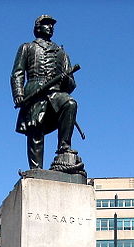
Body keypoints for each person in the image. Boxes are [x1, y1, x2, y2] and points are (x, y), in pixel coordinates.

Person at [11, 15, 81, 172]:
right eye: (46, 24)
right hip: (35, 91)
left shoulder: (61, 53)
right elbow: (17, 73)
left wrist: (64, 80)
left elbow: (71, 84)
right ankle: (36, 169)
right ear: (37, 28)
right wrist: (18, 94)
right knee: (36, 128)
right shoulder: (27, 47)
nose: (50, 27)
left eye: (51, 25)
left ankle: (64, 147)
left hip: (55, 94)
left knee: (70, 103)